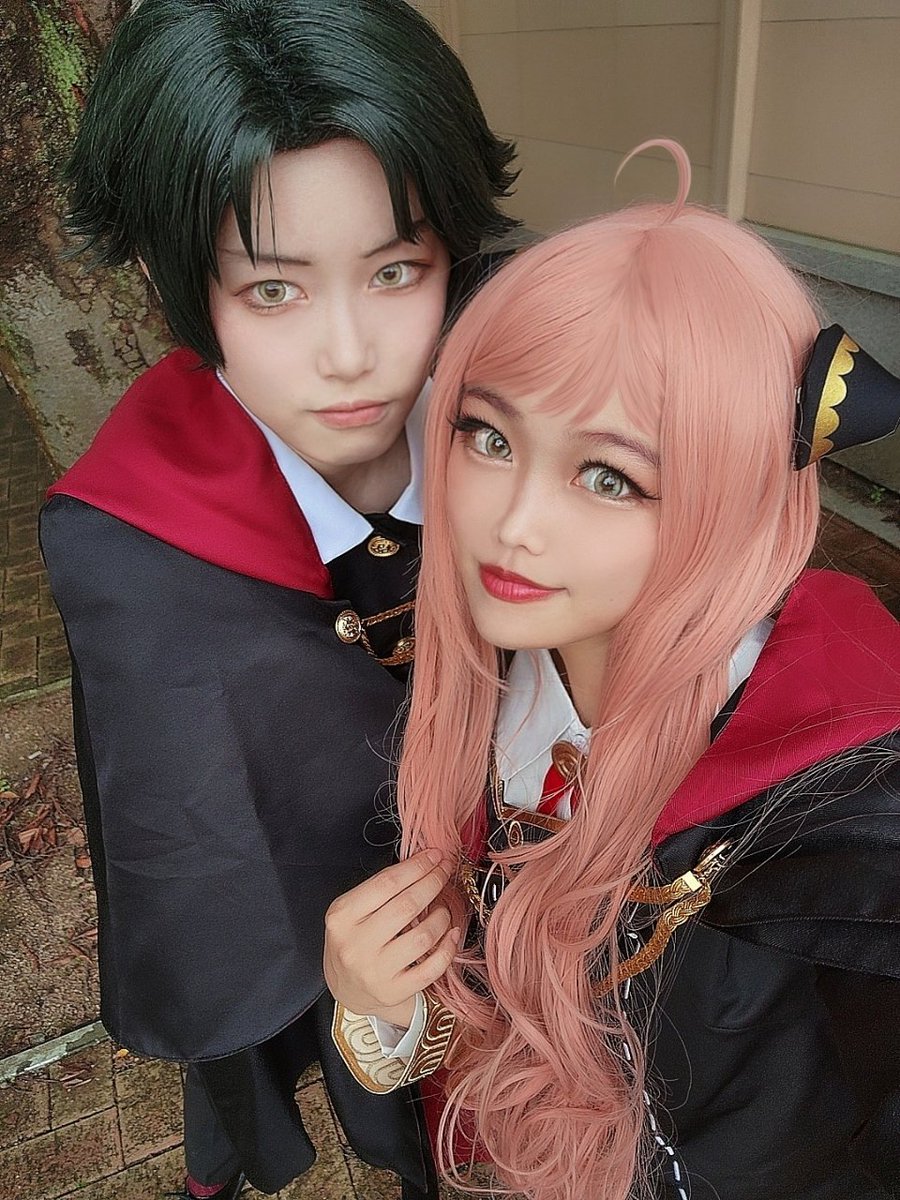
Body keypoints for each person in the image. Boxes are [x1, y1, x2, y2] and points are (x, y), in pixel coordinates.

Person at [324, 141, 900, 1200]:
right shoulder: (468, 678)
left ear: (732, 498)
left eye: (609, 476)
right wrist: (381, 1009)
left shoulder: (848, 830)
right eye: (487, 437)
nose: (514, 524)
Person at [39, 2, 517, 1197]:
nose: (351, 354)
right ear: (174, 282)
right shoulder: (136, 546)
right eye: (273, 291)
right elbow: (194, 839)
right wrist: (350, 995)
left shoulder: (537, 417)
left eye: (397, 271)